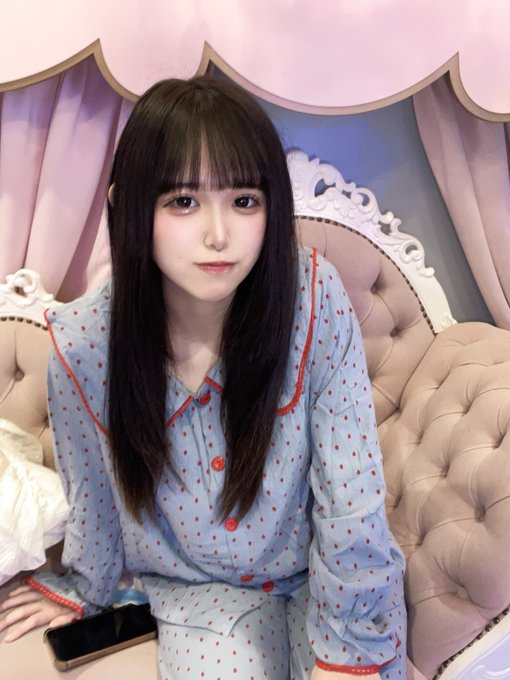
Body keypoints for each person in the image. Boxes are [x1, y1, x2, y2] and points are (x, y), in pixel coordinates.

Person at [0, 76, 406, 679]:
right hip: (201, 593)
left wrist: (346, 656)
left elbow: (351, 496)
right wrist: (84, 587)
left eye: (244, 201)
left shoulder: (313, 297)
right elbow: (94, 494)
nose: (219, 234)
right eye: (183, 202)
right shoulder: (84, 344)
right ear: (127, 205)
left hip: (325, 575)